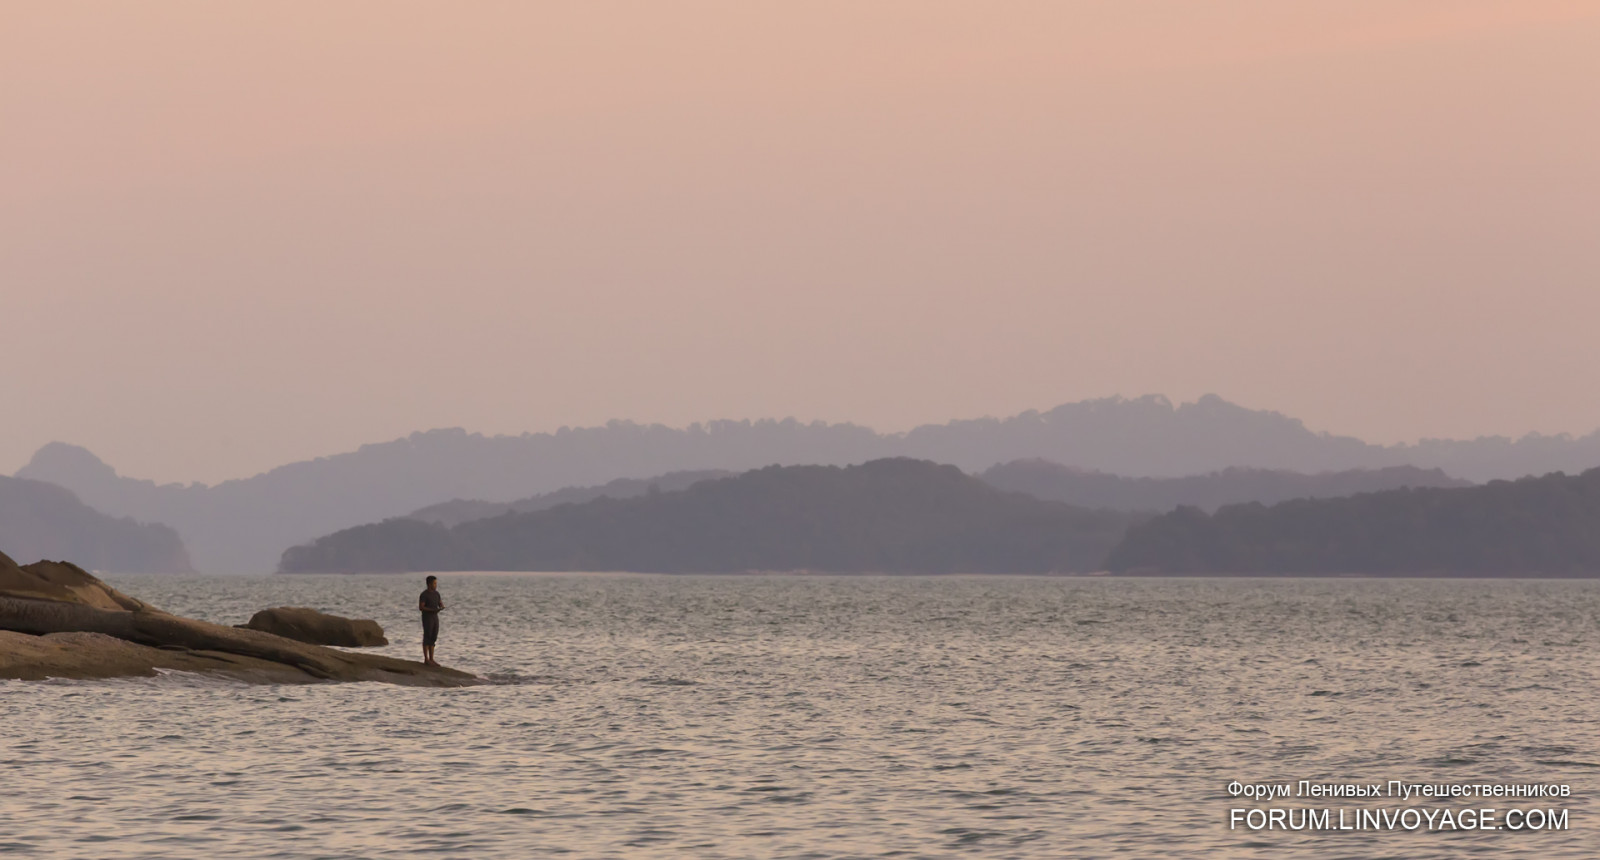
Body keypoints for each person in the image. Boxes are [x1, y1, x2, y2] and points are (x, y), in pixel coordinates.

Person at [418, 575, 444, 666]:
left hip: (435, 617)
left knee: (433, 637)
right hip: (427, 618)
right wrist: (432, 610)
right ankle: (426, 659)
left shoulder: (437, 594)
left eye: (436, 583)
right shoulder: (424, 594)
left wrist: (441, 606)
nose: (436, 585)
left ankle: (432, 659)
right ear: (429, 584)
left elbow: (440, 603)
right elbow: (421, 607)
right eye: (434, 583)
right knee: (427, 637)